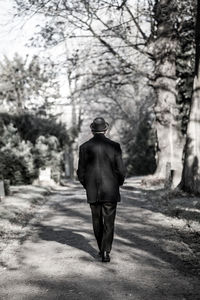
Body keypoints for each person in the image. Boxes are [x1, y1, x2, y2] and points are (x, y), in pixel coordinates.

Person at [77, 117, 126, 262]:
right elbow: (121, 170)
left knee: (97, 221)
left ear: (92, 130)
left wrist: (87, 185)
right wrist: (118, 183)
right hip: (110, 190)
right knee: (109, 222)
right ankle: (106, 251)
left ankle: (101, 249)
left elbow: (81, 172)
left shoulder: (84, 147)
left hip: (93, 190)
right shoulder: (114, 146)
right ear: (105, 129)